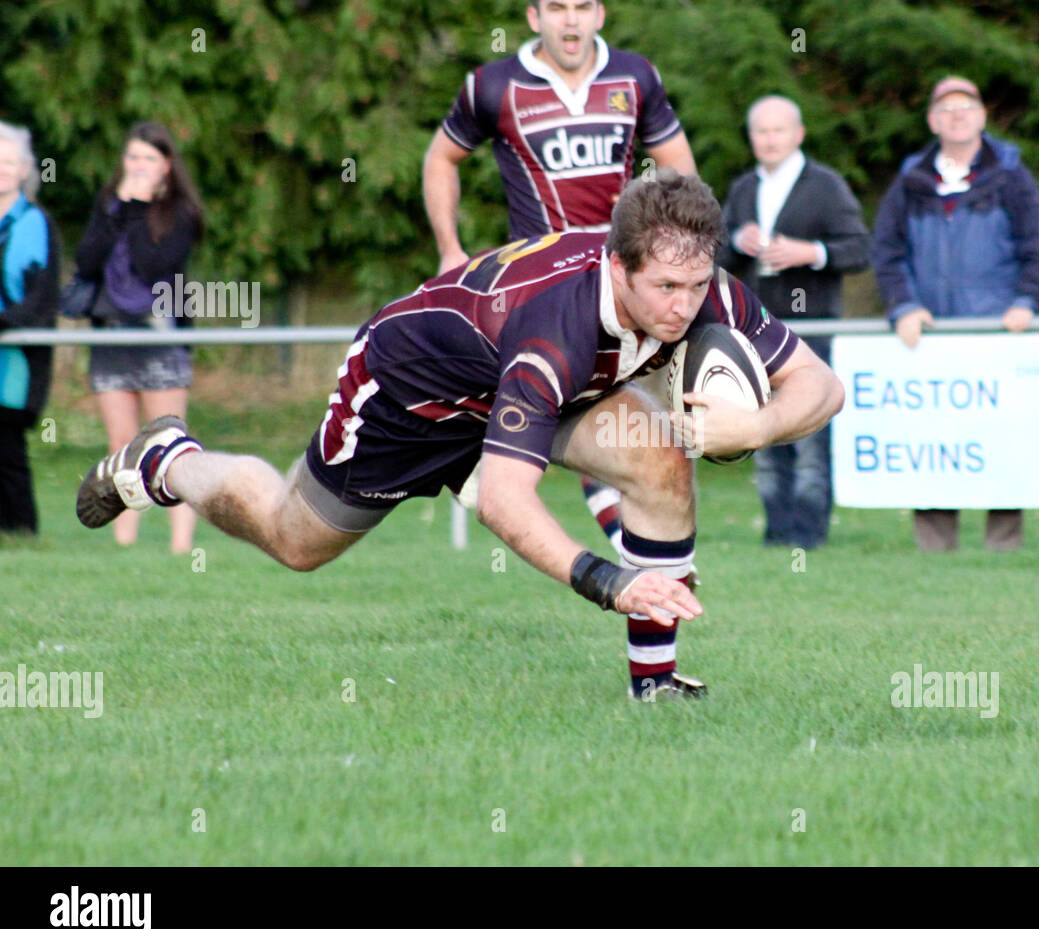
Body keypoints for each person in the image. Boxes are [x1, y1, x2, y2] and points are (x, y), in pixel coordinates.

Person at [76, 172, 844, 701]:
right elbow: (506, 503)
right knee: (293, 540)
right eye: (664, 289)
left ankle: (657, 688)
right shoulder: (555, 330)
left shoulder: (704, 289)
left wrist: (758, 424)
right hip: (410, 395)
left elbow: (823, 386)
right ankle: (171, 461)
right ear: (617, 267)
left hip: (529, 391)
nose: (684, 308)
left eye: (697, 286)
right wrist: (610, 583)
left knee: (657, 462)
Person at [423, 0, 697, 547]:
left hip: (623, 276)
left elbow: (679, 168)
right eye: (556, 8)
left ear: (599, 13)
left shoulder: (635, 76)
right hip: (544, 284)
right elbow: (441, 158)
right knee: (589, 400)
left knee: (627, 418)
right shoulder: (492, 86)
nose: (569, 21)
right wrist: (450, 250)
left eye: (581, 7)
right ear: (533, 17)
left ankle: (635, 544)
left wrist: (679, 254)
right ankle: (478, 457)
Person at [870, 76, 1039, 552]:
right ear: (933, 121)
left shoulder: (1012, 176)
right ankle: (936, 550)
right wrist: (903, 305)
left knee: (1001, 441)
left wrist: (1025, 302)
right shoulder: (910, 183)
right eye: (946, 108)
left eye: (966, 106)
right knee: (933, 442)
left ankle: (1004, 546)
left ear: (982, 117)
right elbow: (887, 251)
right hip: (929, 341)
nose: (956, 115)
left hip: (996, 336)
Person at [717, 95, 870, 550]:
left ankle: (808, 538)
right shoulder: (744, 188)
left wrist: (811, 253)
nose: (769, 139)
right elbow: (715, 257)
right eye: (760, 131)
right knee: (763, 435)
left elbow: (859, 248)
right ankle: (775, 534)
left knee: (808, 441)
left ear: (798, 134)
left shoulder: (825, 186)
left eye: (778, 130)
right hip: (757, 333)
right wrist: (735, 242)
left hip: (813, 330)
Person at [73, 121, 204, 553]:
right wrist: (122, 209)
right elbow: (87, 263)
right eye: (133, 157)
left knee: (171, 444)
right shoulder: (110, 204)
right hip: (111, 337)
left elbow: (153, 266)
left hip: (159, 337)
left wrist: (138, 208)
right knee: (121, 445)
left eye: (149, 158)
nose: (139, 166)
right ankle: (124, 544)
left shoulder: (181, 211)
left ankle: (182, 546)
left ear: (166, 165)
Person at [0, 122, 60, 536]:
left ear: (24, 170)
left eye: (9, 161)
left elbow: (41, 299)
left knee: (6, 448)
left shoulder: (36, 224)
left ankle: (21, 530)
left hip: (15, 357)